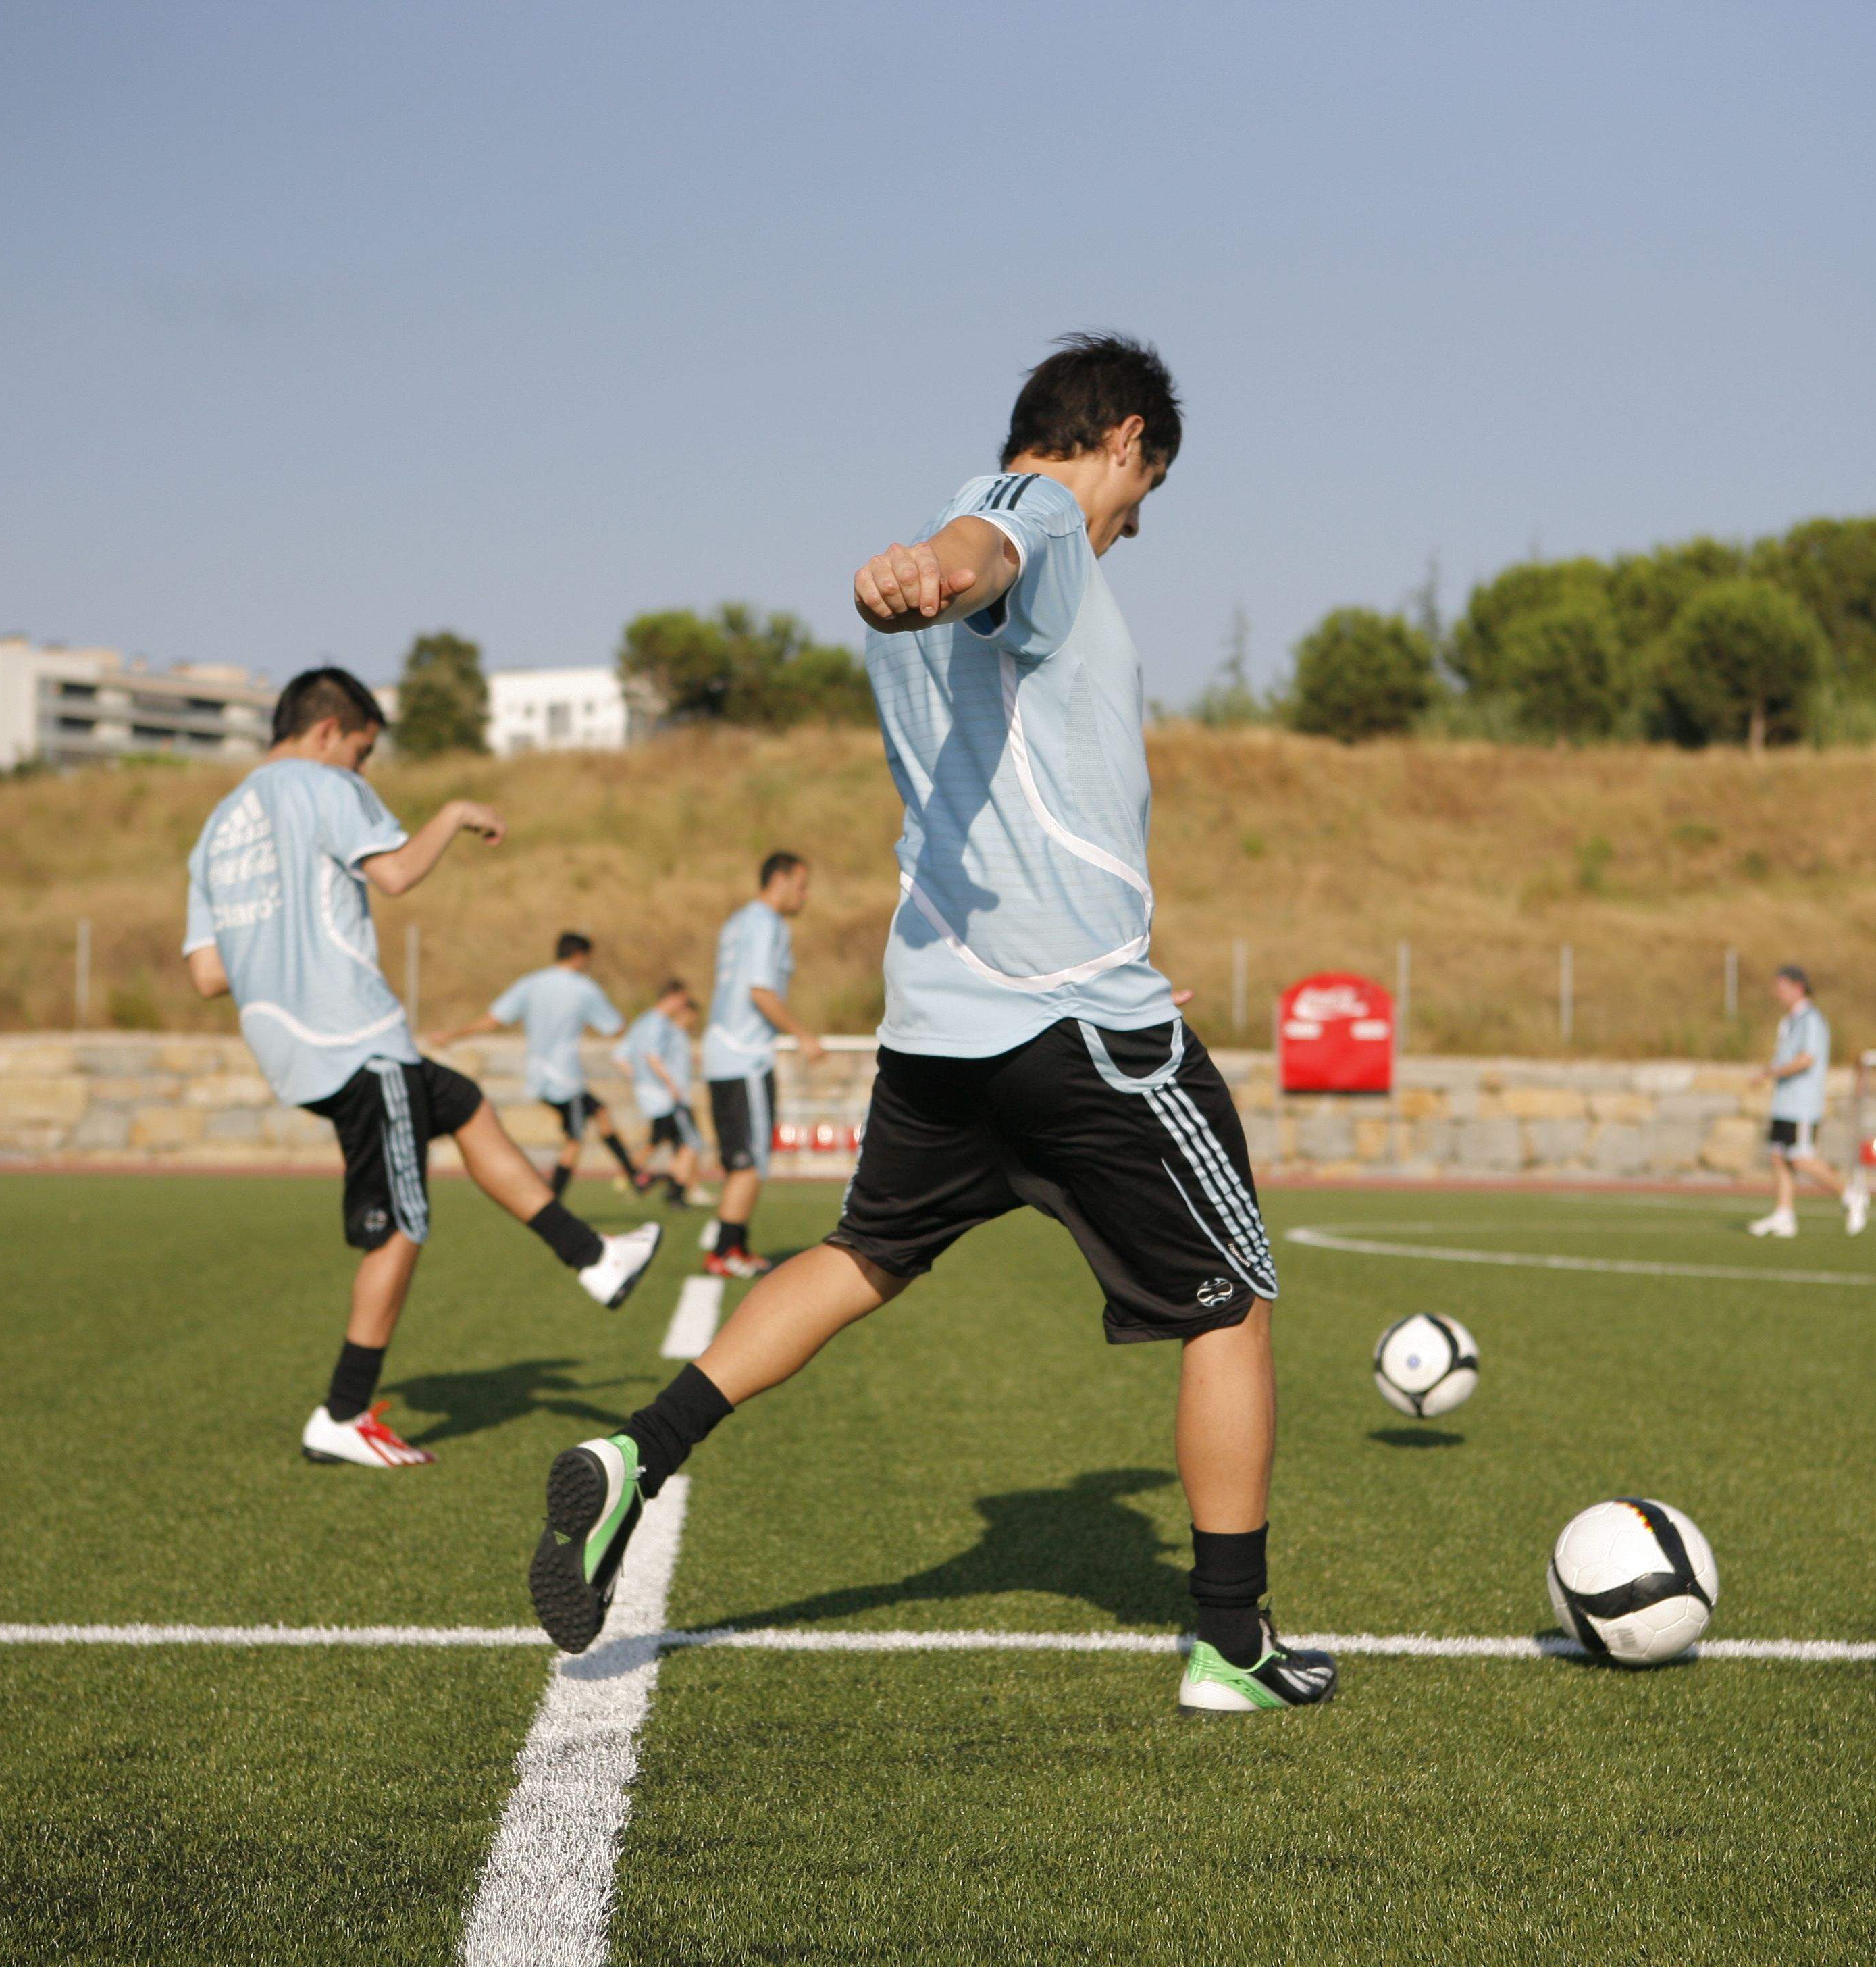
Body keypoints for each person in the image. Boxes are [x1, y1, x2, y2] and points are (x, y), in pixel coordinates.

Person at [527, 333, 1335, 1716]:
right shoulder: (1041, 521)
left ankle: (640, 1454)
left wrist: (915, 575)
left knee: (863, 1255)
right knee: (1234, 1302)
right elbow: (992, 546)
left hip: (945, 1027)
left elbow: (1002, 750)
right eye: (1146, 494)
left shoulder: (957, 580)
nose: (1136, 526)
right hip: (1078, 1025)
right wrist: (936, 564)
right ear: (1124, 443)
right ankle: (1230, 1642)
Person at [184, 668, 661, 1469]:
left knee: (465, 1102)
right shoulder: (324, 783)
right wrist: (454, 813)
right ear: (332, 729)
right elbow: (397, 873)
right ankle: (342, 1411)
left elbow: (207, 972)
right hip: (356, 1036)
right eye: (364, 752)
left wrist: (282, 943)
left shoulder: (218, 827)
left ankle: (594, 1257)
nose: (363, 770)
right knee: (401, 1222)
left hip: (290, 1045)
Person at [431, 932, 644, 1200]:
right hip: (565, 1078)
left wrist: (452, 1035)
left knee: (600, 1113)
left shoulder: (531, 983)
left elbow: (492, 1020)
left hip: (537, 1074)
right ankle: (551, 1197)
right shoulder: (584, 989)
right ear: (580, 957)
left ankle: (635, 1176)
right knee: (575, 1139)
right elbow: (615, 1027)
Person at [698, 852, 825, 1280]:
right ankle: (725, 1251)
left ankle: (734, 1246)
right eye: (802, 885)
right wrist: (802, 1035)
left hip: (724, 1052)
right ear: (782, 880)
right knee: (751, 1162)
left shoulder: (740, 920)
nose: (805, 895)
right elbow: (760, 990)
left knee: (742, 1160)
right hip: (744, 1057)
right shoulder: (766, 923)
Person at [1746, 965, 1867, 1238]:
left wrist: (1771, 1072)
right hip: (1784, 1102)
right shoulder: (1789, 1021)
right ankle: (1784, 1214)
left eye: (1782, 987)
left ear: (1798, 987)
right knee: (1778, 1156)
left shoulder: (1811, 1019)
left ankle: (1850, 1194)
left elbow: (1806, 1059)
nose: (1777, 993)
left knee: (1800, 1159)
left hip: (1802, 1104)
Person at [617, 979, 710, 1208]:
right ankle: (674, 1192)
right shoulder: (660, 1024)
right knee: (690, 1143)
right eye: (684, 1001)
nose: (685, 1006)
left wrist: (639, 1080)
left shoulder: (642, 1022)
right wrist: (670, 1084)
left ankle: (648, 1180)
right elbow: (652, 1056)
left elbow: (620, 1056)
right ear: (674, 997)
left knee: (671, 1143)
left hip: (651, 1095)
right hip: (666, 1097)